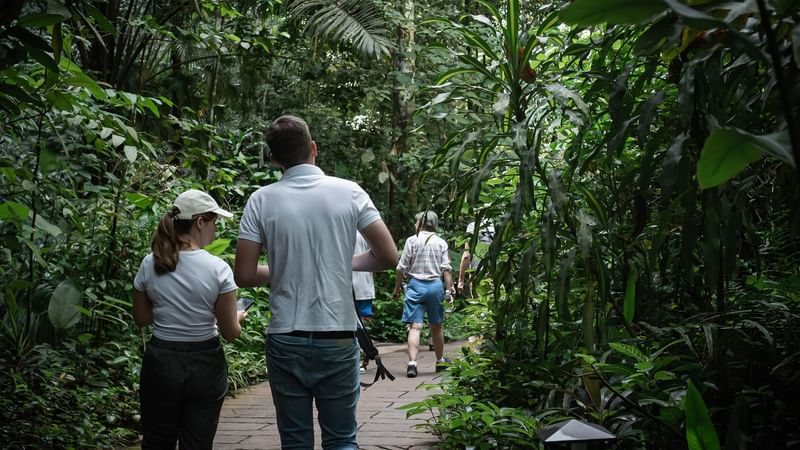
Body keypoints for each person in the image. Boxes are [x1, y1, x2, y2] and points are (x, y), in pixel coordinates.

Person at [234, 115, 397, 449]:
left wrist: (289, 268)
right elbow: (388, 257)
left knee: (295, 441)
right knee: (341, 440)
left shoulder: (261, 200)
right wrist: (339, 263)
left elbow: (245, 275)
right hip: (336, 336)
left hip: (285, 337)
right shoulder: (349, 192)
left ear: (276, 160)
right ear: (313, 148)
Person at [132, 189, 246, 450]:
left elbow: (141, 318)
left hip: (161, 362)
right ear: (200, 222)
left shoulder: (150, 263)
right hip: (205, 363)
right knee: (198, 443)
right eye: (214, 221)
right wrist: (237, 316)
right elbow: (231, 332)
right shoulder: (217, 269)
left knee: (157, 441)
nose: (215, 228)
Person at [393, 210, 454, 378]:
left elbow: (401, 268)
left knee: (415, 326)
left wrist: (397, 288)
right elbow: (446, 270)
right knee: (436, 326)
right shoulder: (440, 242)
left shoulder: (412, 241)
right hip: (435, 286)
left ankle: (412, 363)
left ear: (420, 223)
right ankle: (440, 361)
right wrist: (448, 291)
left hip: (415, 287)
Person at [352, 230, 376, 373]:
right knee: (361, 322)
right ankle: (363, 359)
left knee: (350, 323)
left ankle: (358, 357)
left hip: (344, 283)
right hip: (363, 284)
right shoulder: (365, 231)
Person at [457, 219, 495, 298]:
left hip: (476, 273)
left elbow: (466, 255)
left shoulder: (472, 226)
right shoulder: (498, 226)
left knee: (480, 304)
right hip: (494, 272)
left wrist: (461, 280)